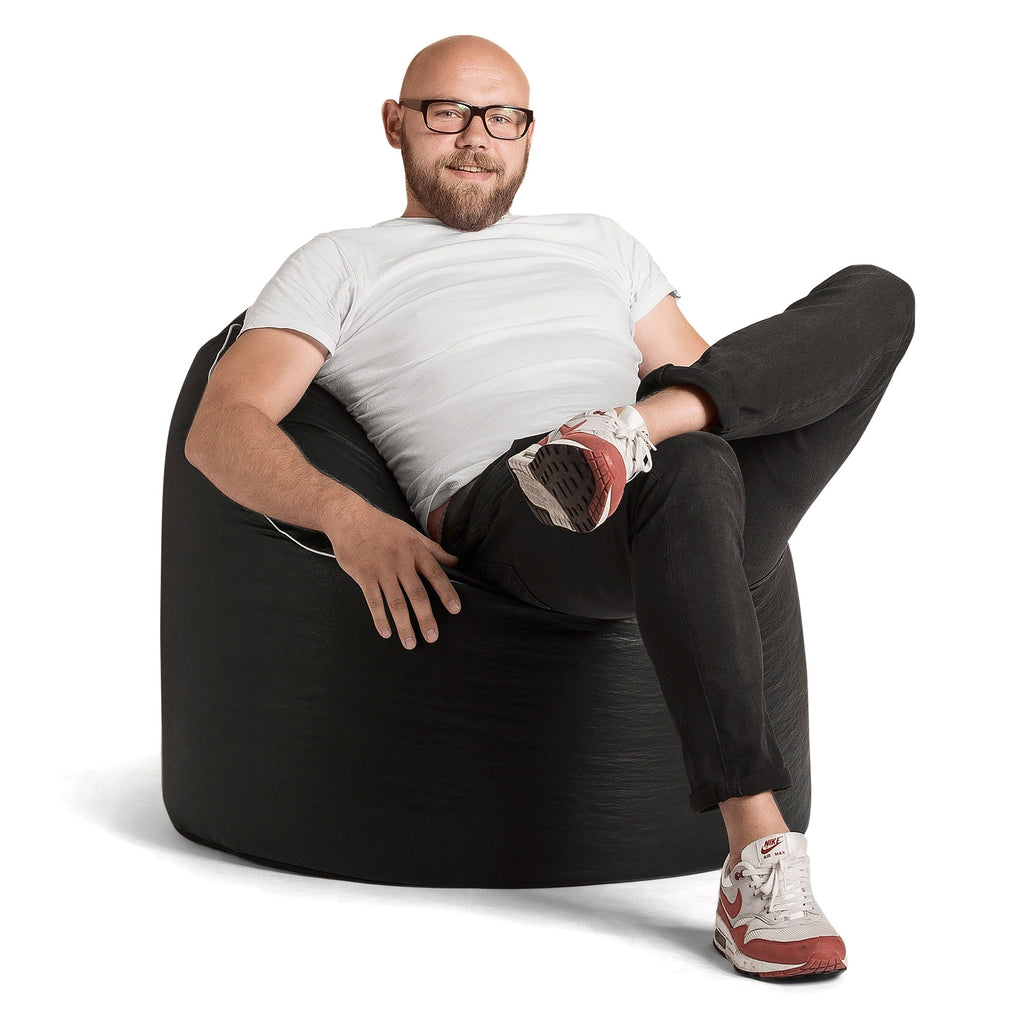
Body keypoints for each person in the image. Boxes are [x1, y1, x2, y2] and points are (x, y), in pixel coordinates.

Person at [184, 34, 914, 979]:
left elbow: (730, 376)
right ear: (395, 124)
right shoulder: (340, 262)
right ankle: (759, 851)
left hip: (653, 470)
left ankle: (627, 432)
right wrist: (348, 516)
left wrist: (658, 418)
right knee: (689, 469)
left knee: (876, 298)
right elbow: (221, 425)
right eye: (447, 113)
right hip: (514, 509)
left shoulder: (601, 242)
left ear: (530, 136)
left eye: (503, 119)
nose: (476, 140)